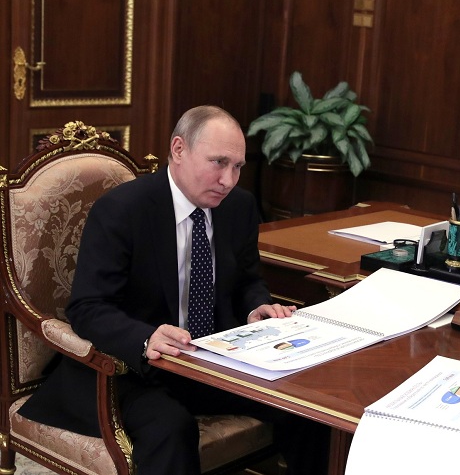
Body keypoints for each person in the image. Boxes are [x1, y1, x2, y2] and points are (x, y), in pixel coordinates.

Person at [19, 105, 329, 474]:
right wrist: (145, 338)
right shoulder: (122, 210)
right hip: (127, 368)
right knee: (170, 429)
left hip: (208, 359)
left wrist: (255, 307)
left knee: (312, 408)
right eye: (218, 163)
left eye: (237, 167)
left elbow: (247, 280)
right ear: (179, 150)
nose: (228, 180)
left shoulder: (239, 207)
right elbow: (87, 307)